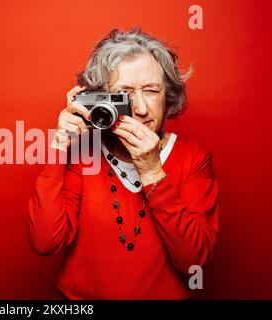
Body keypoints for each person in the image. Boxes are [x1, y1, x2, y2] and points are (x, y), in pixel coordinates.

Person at [27, 28, 219, 299]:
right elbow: (45, 242)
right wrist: (59, 146)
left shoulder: (194, 158)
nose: (141, 109)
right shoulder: (84, 153)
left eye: (152, 91)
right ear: (101, 101)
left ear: (168, 95)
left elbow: (194, 262)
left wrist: (152, 170)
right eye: (124, 94)